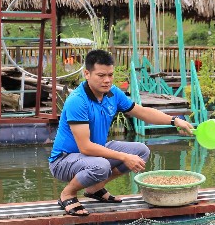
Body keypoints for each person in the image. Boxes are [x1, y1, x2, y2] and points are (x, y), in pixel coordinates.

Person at [49, 49, 194, 216]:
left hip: (93, 155)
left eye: (110, 75)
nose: (107, 80)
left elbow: (142, 112)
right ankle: (67, 194)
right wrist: (124, 157)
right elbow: (85, 147)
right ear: (87, 74)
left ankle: (94, 188)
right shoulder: (77, 100)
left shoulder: (113, 93)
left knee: (141, 151)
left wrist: (174, 121)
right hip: (64, 160)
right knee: (101, 165)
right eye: (101, 75)